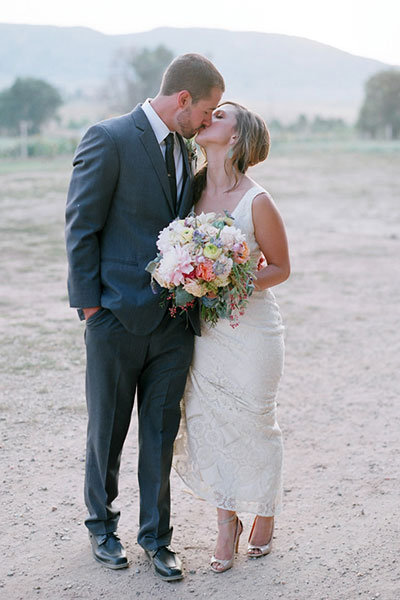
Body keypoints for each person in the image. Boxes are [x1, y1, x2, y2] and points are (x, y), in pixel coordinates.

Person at [65, 53, 224, 581]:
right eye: (207, 110)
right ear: (183, 99)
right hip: (113, 319)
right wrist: (92, 308)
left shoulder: (184, 150)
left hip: (173, 324)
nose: (207, 121)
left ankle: (157, 538)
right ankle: (101, 528)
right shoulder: (108, 138)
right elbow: (81, 227)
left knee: (159, 431)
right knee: (106, 431)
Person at [174, 101, 290, 573]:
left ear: (237, 136)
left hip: (253, 330)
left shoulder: (257, 201)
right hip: (206, 332)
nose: (208, 119)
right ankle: (227, 522)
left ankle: (265, 510)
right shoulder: (191, 189)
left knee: (255, 421)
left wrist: (231, 279)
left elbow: (281, 268)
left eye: (219, 115)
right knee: (208, 420)